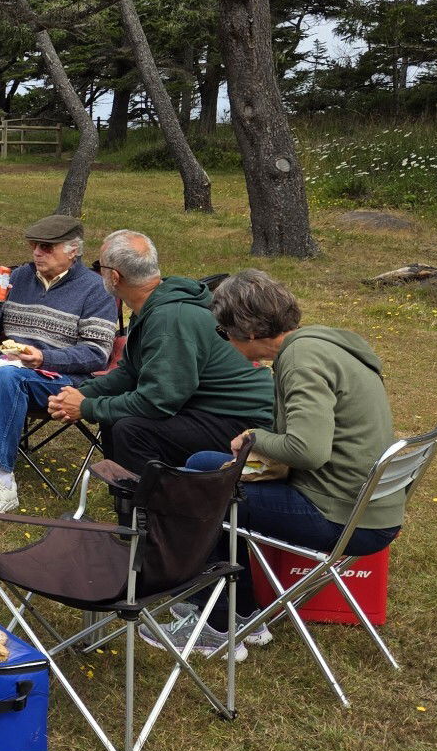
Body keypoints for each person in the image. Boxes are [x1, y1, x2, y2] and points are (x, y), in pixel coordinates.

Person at [141, 270, 408, 660]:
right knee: (203, 463)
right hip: (365, 505)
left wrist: (253, 438)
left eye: (222, 333)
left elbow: (308, 449)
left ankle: (215, 626)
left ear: (246, 332)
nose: (225, 341)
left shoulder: (299, 360)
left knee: (201, 489)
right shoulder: (320, 343)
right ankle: (245, 613)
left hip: (342, 517)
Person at [45, 230, 273, 474]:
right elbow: (129, 373)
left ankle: (152, 507)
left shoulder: (168, 319)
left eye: (99, 266)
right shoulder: (155, 305)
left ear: (114, 277)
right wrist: (78, 395)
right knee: (117, 419)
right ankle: (130, 502)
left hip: (243, 422)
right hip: (208, 410)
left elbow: (158, 402)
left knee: (130, 430)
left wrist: (87, 407)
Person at [0, 214, 118, 514]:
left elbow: (97, 354)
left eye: (47, 247)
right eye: (34, 246)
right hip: (12, 365)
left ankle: (3, 482)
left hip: (63, 379)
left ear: (73, 251)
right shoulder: (18, 278)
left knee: (8, 378)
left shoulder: (95, 289)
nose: (37, 253)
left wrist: (46, 357)